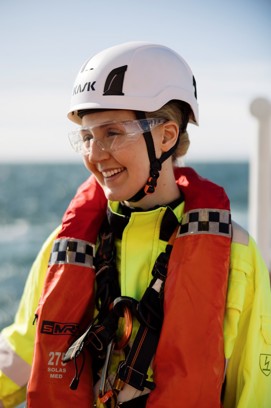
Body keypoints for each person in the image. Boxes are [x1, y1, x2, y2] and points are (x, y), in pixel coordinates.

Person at [3, 41, 270, 407]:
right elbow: (21, 355)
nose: (95, 155)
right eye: (86, 138)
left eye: (112, 133)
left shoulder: (235, 253)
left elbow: (256, 390)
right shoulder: (64, 248)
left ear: (166, 136)